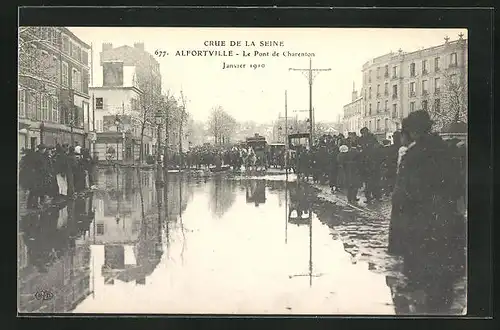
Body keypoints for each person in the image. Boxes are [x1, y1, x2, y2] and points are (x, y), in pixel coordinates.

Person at [389, 111, 465, 309]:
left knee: (423, 269)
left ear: (413, 132)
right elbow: (457, 184)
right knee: (443, 271)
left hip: (421, 221)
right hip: (445, 218)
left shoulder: (413, 156)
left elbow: (406, 194)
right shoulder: (446, 150)